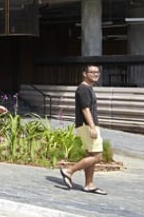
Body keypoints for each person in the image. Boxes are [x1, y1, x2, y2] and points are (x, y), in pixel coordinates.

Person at [60, 65, 106, 194]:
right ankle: (69, 171)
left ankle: (89, 184)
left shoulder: (88, 88)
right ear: (84, 73)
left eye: (97, 72)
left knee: (91, 154)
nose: (96, 74)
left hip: (87, 125)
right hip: (87, 125)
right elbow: (85, 109)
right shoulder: (83, 89)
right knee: (97, 156)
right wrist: (92, 127)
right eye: (92, 72)